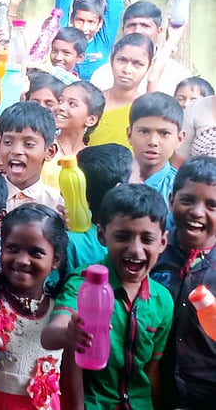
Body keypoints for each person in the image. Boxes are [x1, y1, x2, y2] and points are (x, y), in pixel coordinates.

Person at [42, 184, 174, 410]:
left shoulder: (162, 300)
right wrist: (69, 333)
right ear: (102, 235)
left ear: (162, 242)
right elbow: (50, 337)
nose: (135, 249)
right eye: (123, 236)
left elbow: (153, 371)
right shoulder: (82, 283)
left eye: (147, 239)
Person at [0, 204, 69, 409]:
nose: (22, 260)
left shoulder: (60, 316)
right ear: (0, 248)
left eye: (36, 252)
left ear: (56, 260)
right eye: (12, 248)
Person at [149, 156, 216, 409]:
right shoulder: (151, 255)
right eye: (188, 200)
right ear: (171, 200)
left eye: (212, 205)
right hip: (154, 387)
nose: (197, 212)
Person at [48, 143, 134, 291]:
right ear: (119, 189)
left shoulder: (69, 239)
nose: (144, 182)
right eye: (138, 177)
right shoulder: (142, 235)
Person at [89, 1, 192, 95]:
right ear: (123, 30)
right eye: (131, 25)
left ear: (159, 31)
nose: (137, 30)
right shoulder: (102, 74)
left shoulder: (178, 74)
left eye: (145, 26)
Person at [54, 0, 123, 80]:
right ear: (71, 19)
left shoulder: (103, 41)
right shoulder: (64, 36)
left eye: (91, 22)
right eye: (80, 20)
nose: (84, 27)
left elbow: (115, 4)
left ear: (100, 23)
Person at [87, 33, 154, 149]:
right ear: (111, 60)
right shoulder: (90, 102)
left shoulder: (146, 110)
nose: (127, 70)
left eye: (138, 64)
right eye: (122, 60)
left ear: (149, 67)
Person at [0, 102, 64, 212]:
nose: (16, 151)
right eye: (8, 142)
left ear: (50, 151)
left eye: (29, 144)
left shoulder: (56, 205)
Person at [40, 80, 105, 190]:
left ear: (91, 120)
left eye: (72, 104)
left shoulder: (92, 159)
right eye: (60, 101)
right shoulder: (43, 147)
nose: (60, 107)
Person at [128, 92, 185, 207]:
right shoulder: (112, 178)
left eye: (164, 133)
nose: (153, 142)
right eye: (144, 131)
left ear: (179, 139)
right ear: (129, 135)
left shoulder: (181, 190)